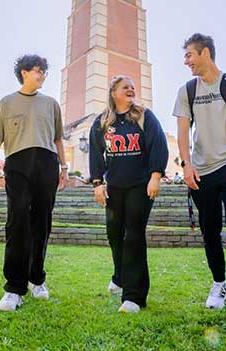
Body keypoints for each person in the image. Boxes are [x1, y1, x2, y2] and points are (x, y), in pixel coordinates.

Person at [173, 33, 226, 326]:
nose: (186, 61)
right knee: (209, 231)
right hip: (201, 170)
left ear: (205, 53)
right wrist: (186, 165)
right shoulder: (186, 90)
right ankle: (219, 283)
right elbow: (183, 131)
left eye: (189, 55)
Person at [0, 54, 68, 312]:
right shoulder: (6, 103)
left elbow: (59, 139)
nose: (42, 75)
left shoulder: (51, 104)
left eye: (44, 71)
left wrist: (63, 168)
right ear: (24, 72)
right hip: (17, 164)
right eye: (38, 70)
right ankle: (13, 288)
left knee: (41, 224)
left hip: (46, 164)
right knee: (17, 222)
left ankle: (37, 279)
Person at [89, 75, 169, 313]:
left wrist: (156, 175)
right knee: (114, 234)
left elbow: (159, 145)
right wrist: (97, 183)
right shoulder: (102, 121)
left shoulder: (144, 116)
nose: (131, 90)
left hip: (140, 186)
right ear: (114, 92)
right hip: (114, 188)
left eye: (133, 87)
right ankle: (120, 276)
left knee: (133, 235)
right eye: (126, 87)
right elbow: (95, 153)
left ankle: (134, 297)